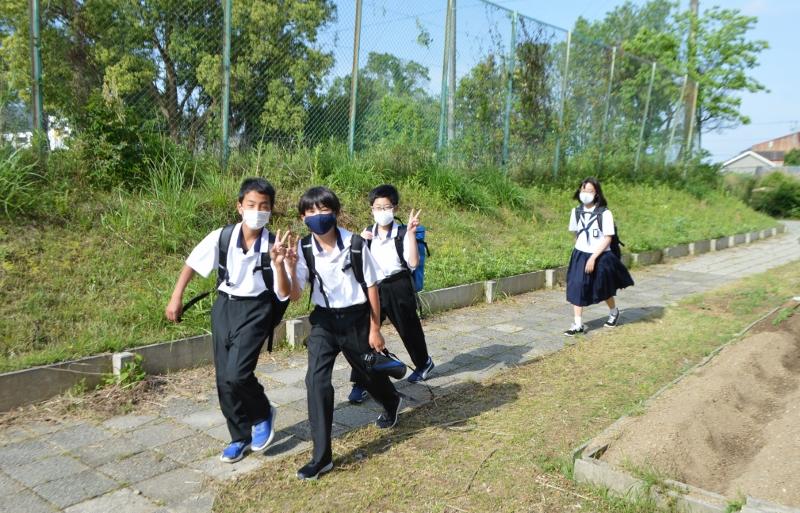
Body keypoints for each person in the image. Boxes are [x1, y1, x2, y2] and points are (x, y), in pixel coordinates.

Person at [165, 177, 292, 463]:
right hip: (224, 307)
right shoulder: (222, 237)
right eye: (251, 204)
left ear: (271, 210)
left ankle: (262, 413)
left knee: (238, 374)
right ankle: (239, 437)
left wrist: (280, 263)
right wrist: (176, 297)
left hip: (257, 310)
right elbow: (192, 263)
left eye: (264, 206)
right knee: (224, 379)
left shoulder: (274, 245)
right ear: (239, 206)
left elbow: (285, 293)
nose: (257, 211)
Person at [288, 186, 402, 480]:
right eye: (310, 211)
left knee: (368, 372)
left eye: (324, 209)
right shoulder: (303, 249)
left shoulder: (354, 243)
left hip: (356, 318)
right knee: (315, 381)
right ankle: (321, 457)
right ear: (302, 217)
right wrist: (285, 266)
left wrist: (375, 329)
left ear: (336, 212)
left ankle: (391, 401)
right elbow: (295, 295)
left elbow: (372, 285)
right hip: (324, 322)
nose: (318, 216)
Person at [347, 184, 434, 404]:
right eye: (378, 207)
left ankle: (423, 362)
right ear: (371, 209)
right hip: (374, 288)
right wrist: (359, 242)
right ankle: (361, 381)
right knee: (365, 334)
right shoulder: (367, 233)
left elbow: (412, 263)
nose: (382, 211)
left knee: (408, 328)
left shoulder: (402, 233)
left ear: (394, 208)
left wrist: (411, 233)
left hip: (398, 285)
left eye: (386, 207)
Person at [564, 177, 634, 336]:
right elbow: (576, 233)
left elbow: (608, 238)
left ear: (596, 193)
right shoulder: (576, 211)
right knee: (577, 286)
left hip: (601, 255)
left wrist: (593, 258)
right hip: (580, 254)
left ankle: (614, 311)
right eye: (583, 190)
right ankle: (578, 324)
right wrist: (580, 250)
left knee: (602, 287)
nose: (585, 193)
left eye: (590, 191)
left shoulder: (605, 213)